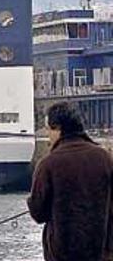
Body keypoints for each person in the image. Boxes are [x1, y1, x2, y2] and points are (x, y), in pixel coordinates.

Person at [27, 102, 113, 261]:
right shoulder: (105, 158)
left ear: (58, 129)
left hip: (62, 253)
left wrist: (31, 201)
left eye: (49, 128)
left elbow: (38, 213)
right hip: (101, 252)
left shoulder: (48, 164)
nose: (47, 134)